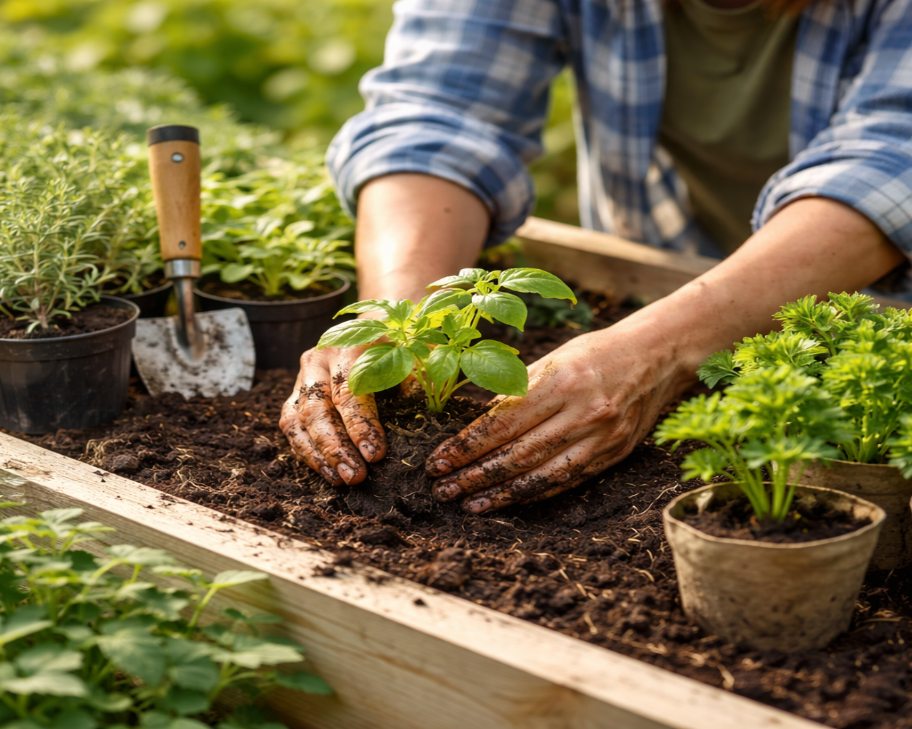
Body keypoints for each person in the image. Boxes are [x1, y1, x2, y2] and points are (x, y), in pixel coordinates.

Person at [280, 0, 912, 514]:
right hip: (648, 261)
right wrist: (399, 316)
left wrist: (660, 347)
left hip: (876, 302)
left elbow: (892, 159)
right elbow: (440, 108)